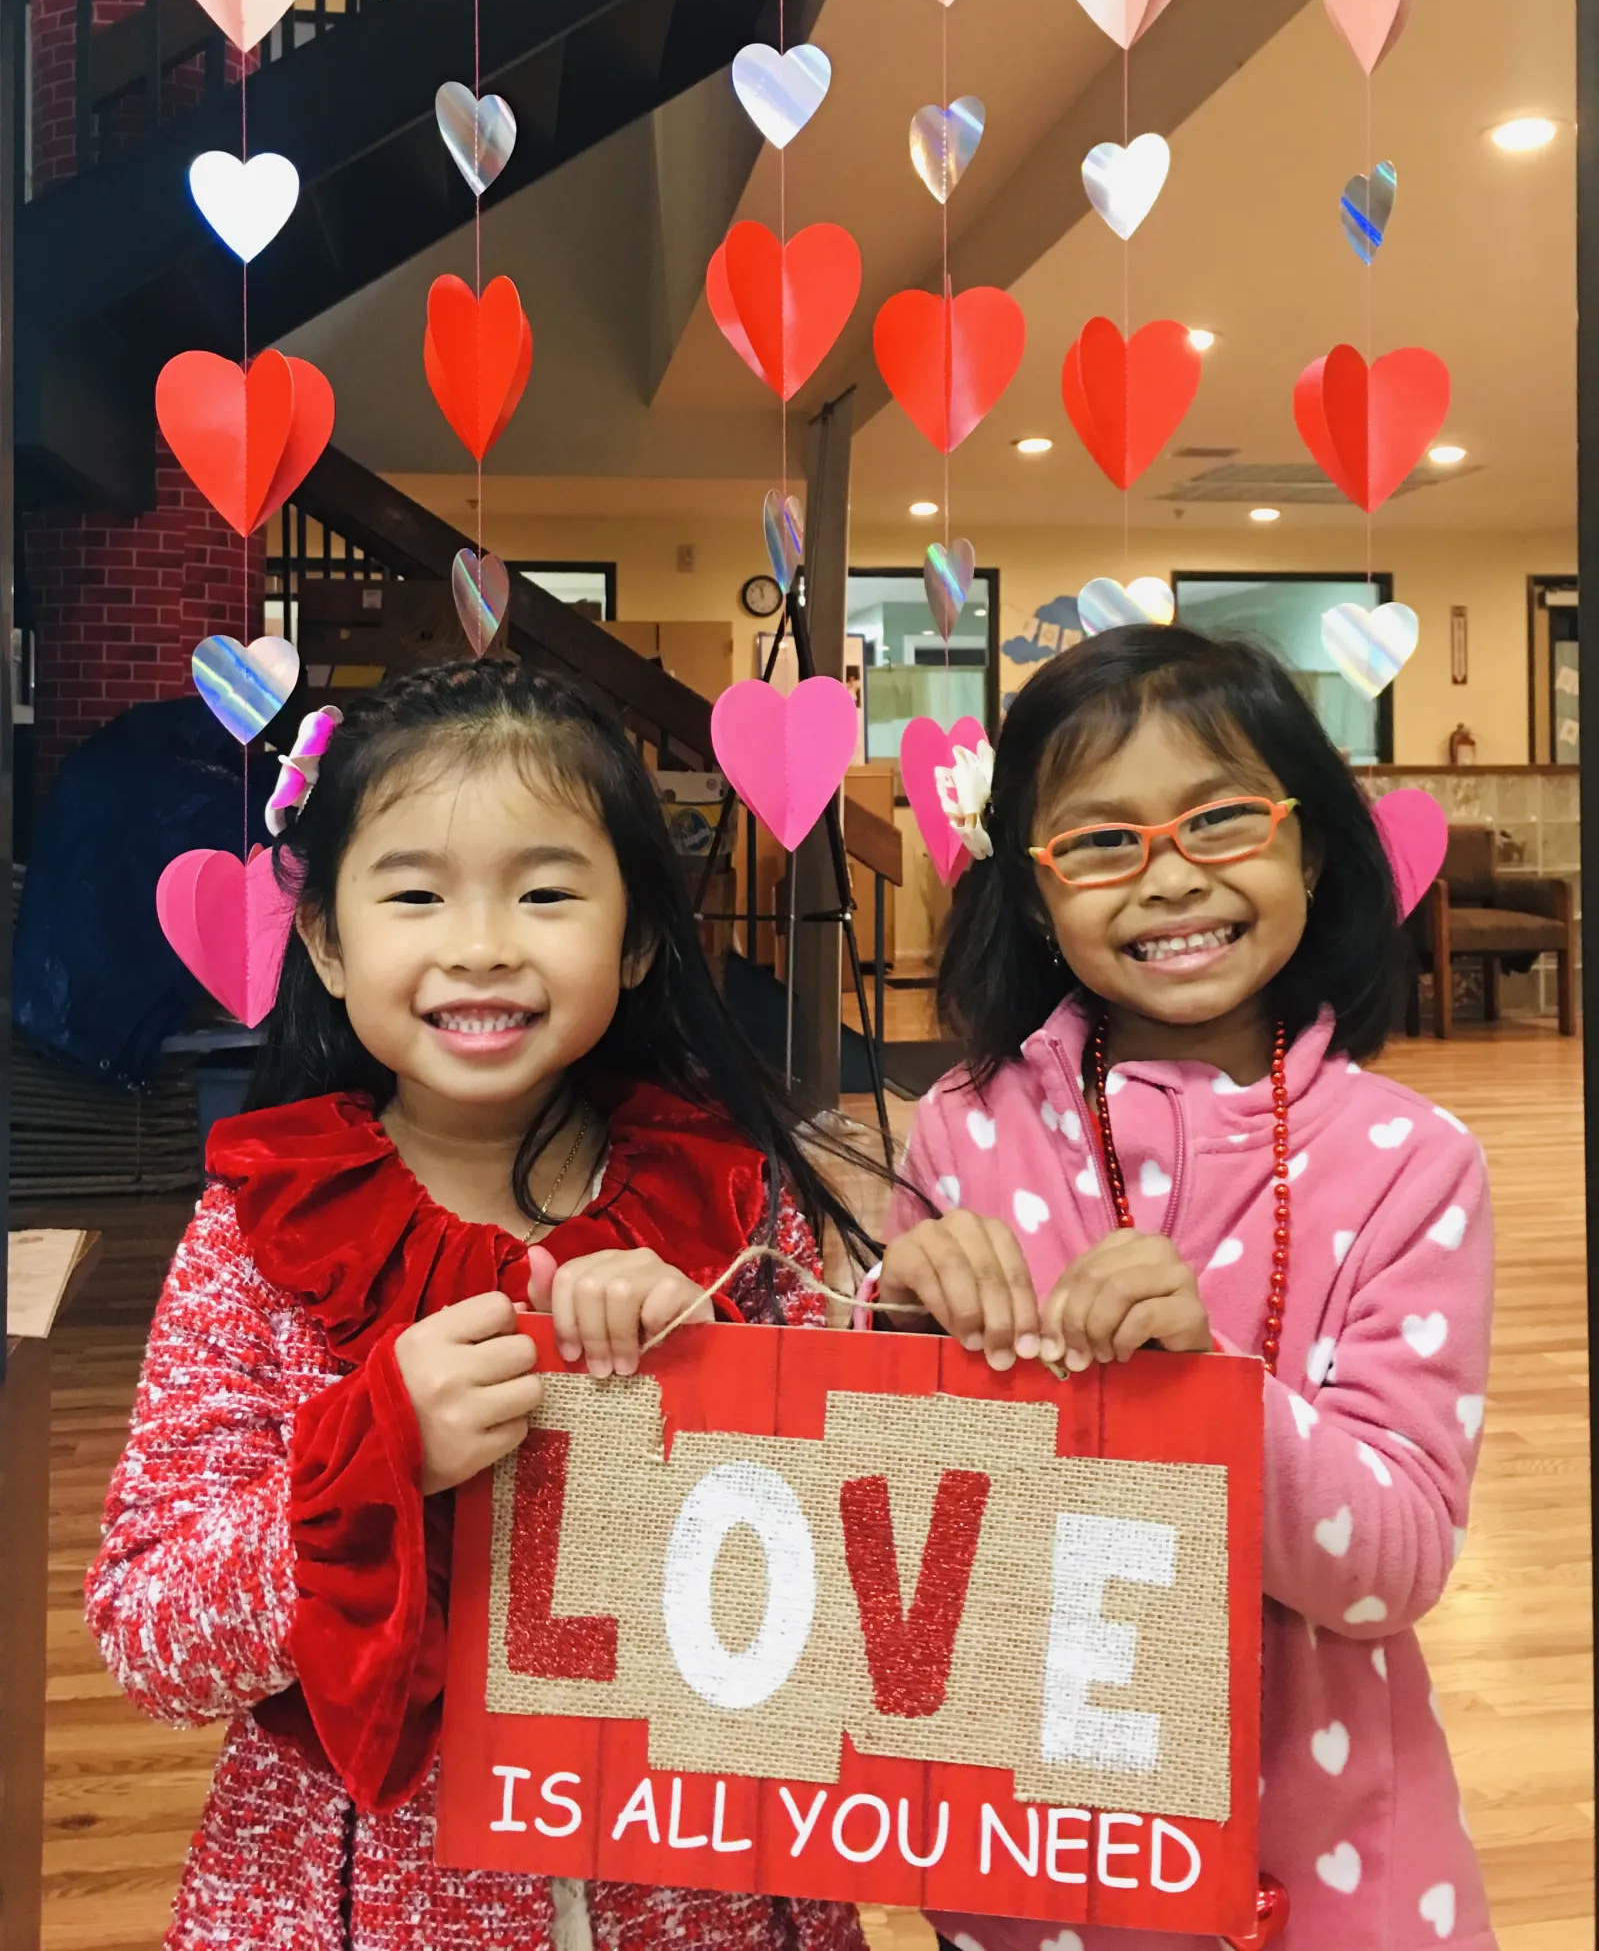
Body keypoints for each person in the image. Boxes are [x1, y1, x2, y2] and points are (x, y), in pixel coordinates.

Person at [87, 657, 877, 1951]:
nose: (482, 944)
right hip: (354, 1906)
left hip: (715, 1900)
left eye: (547, 892)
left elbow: (879, 1569)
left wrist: (722, 1378)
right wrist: (376, 1454)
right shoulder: (260, 1230)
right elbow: (156, 1637)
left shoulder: (735, 1209)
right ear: (330, 945)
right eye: (414, 893)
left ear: (630, 942)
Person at [873, 626, 1496, 1951]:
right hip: (1024, 1846)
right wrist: (895, 1326)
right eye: (1100, 843)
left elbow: (1392, 1564)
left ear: (1309, 849)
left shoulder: (1408, 1165)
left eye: (1218, 821)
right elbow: (889, 1525)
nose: (1166, 879)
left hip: (1323, 1856)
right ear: (1034, 896)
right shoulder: (959, 1133)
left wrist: (1206, 1392)